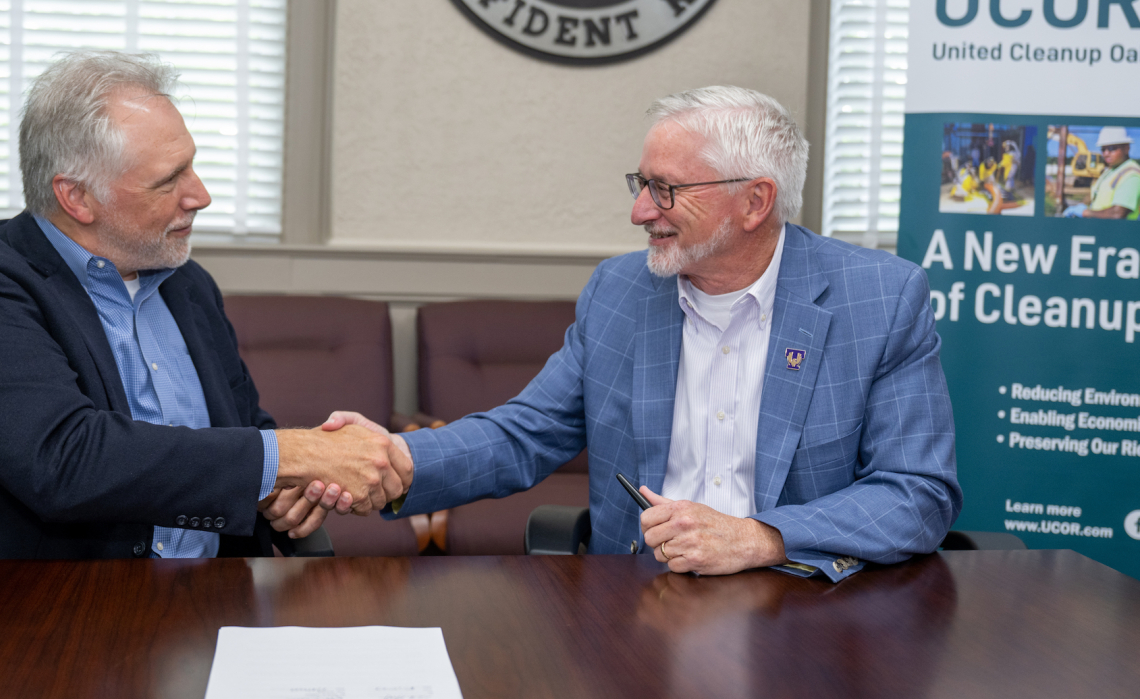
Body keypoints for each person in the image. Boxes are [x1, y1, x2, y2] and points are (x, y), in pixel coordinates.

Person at [324, 86, 960, 581]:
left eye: (665, 189)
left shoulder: (877, 299)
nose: (639, 211)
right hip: (638, 603)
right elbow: (525, 434)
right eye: (641, 184)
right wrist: (396, 460)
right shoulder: (622, 292)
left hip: (806, 602)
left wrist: (761, 536)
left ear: (754, 202)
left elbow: (917, 493)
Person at [0, 50, 410, 560]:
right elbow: (64, 461)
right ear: (77, 197)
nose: (201, 195)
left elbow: (244, 429)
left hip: (213, 603)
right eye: (169, 180)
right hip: (44, 615)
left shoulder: (188, 285)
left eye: (193, 167)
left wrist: (289, 489)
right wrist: (295, 455)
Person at [1064, 126, 1140, 219]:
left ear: (1126, 148)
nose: (1106, 153)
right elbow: (1097, 194)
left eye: (1112, 148)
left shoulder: (1131, 175)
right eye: (1103, 149)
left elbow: (1118, 213)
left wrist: (1085, 212)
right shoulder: (1110, 171)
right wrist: (1083, 206)